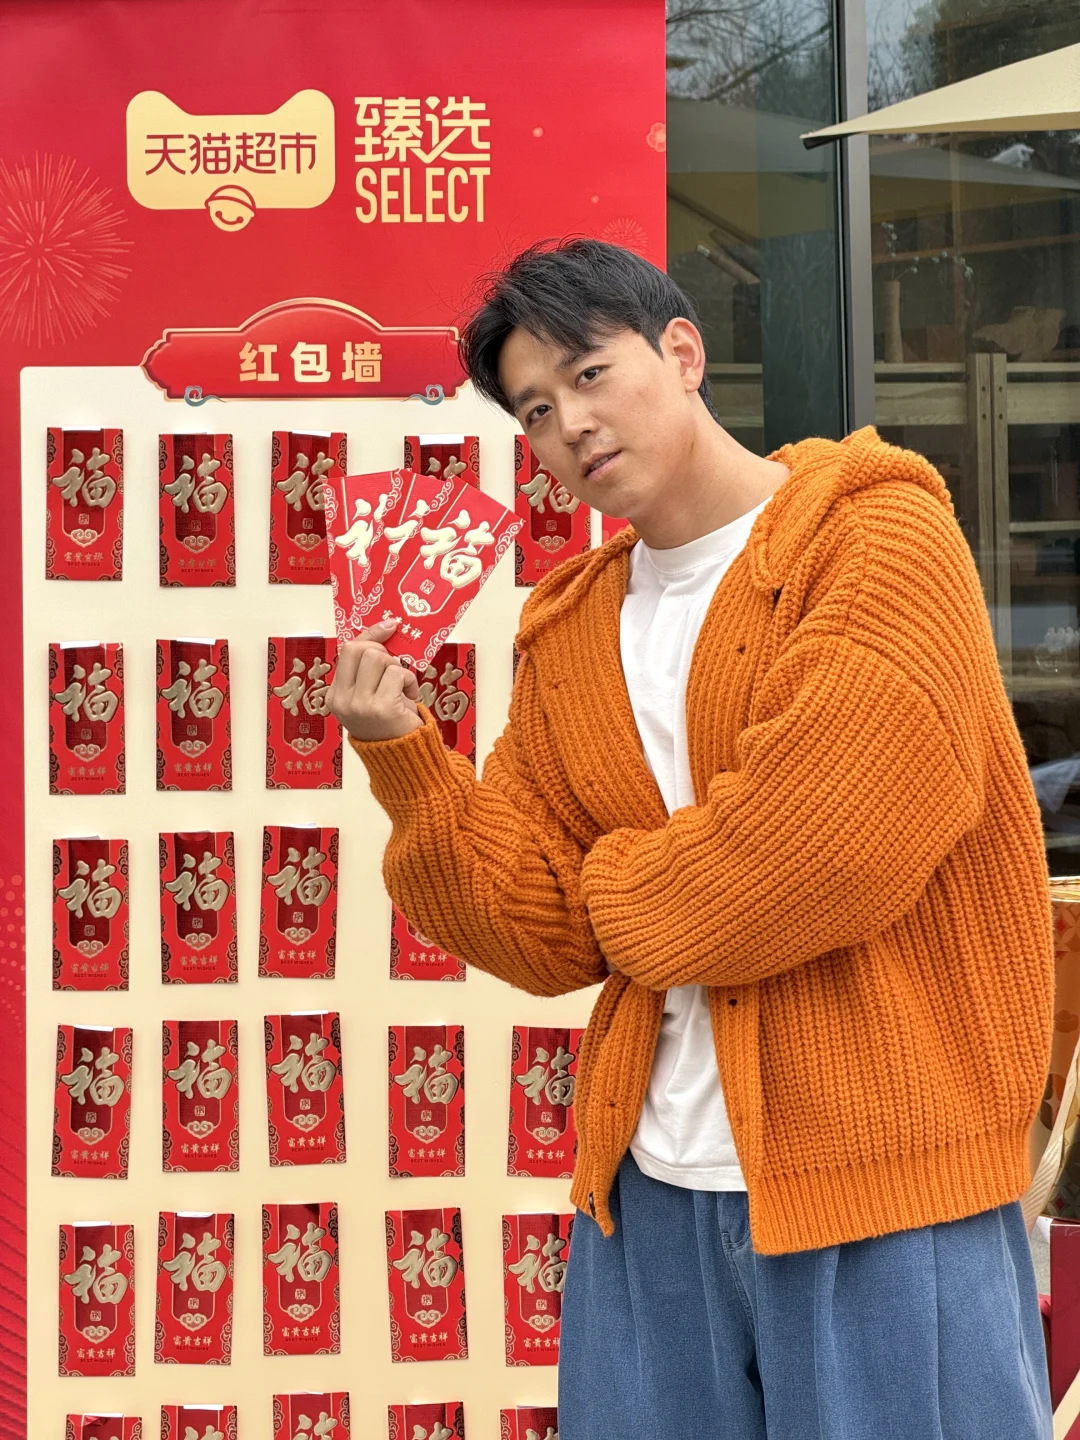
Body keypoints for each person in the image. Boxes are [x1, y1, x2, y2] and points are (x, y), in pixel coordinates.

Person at [328, 238, 1056, 1439]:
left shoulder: (874, 538)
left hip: (887, 1182)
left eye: (589, 375)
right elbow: (539, 932)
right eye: (535, 410)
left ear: (681, 351)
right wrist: (407, 758)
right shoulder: (567, 628)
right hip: (648, 1193)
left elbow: (820, 849)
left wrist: (614, 895)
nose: (570, 425)